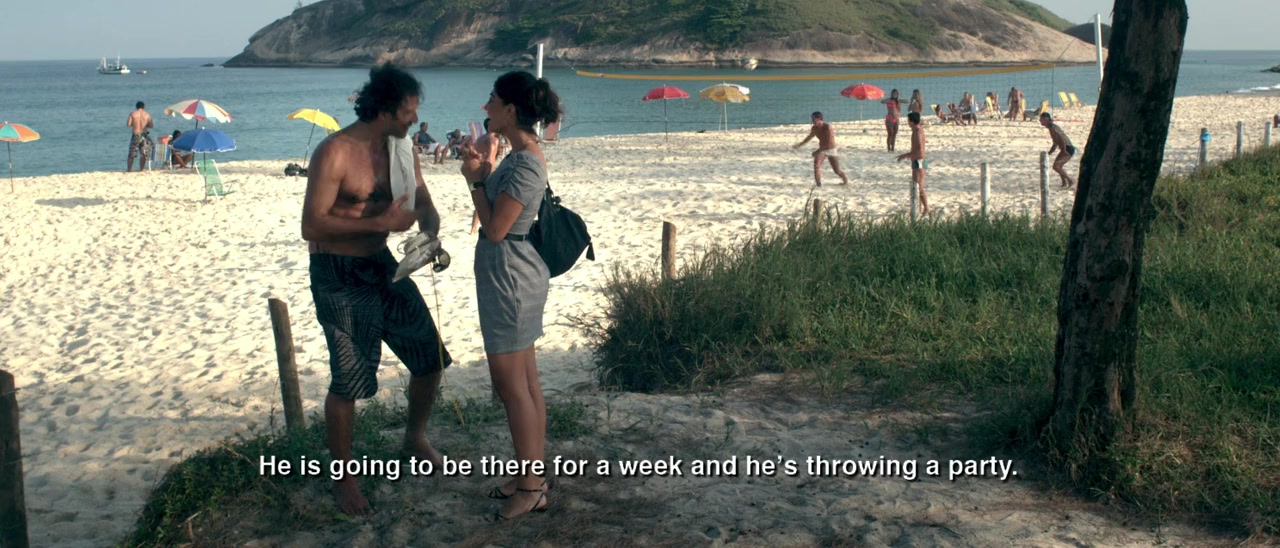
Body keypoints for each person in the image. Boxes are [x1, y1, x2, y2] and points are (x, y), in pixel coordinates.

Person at [301, 64, 452, 516]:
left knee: (429, 357)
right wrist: (380, 222)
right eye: (408, 112)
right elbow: (312, 225)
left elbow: (423, 201)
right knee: (349, 378)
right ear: (384, 110)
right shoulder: (335, 152)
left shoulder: (401, 150)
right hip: (337, 272)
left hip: (384, 265)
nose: (414, 119)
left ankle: (414, 438)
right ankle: (344, 478)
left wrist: (429, 237)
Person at [459, 70, 561, 522]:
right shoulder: (521, 156)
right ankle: (530, 476)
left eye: (492, 100)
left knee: (511, 387)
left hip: (511, 278)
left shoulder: (524, 164)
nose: (486, 107)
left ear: (511, 109)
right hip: (514, 275)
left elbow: (496, 229)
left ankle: (531, 489)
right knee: (527, 384)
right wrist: (485, 172)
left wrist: (474, 181)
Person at [792, 111, 849, 186]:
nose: (812, 121)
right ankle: (818, 184)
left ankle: (845, 181)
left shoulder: (828, 127)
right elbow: (809, 137)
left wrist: (817, 151)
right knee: (816, 166)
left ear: (819, 119)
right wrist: (800, 144)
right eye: (812, 119)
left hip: (831, 149)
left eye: (814, 119)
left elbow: (828, 144)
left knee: (837, 170)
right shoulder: (814, 128)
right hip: (822, 150)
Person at [470, 118, 502, 234]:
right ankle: (477, 227)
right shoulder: (493, 139)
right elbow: (489, 159)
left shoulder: (480, 139)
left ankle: (473, 227)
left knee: (479, 199)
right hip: (487, 169)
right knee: (487, 199)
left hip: (477, 169)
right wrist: (490, 173)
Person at [896, 112, 929, 215]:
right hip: (917, 160)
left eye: (908, 120)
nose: (907, 122)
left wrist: (904, 155)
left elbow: (919, 149)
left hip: (919, 161)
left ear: (911, 121)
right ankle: (920, 209)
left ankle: (926, 209)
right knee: (917, 186)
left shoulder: (917, 132)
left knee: (918, 187)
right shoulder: (917, 129)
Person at [1040, 112, 1077, 188]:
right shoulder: (1051, 127)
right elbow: (1055, 142)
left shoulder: (1053, 128)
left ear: (1047, 119)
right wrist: (1049, 153)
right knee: (1058, 166)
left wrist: (1064, 150)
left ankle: (1070, 180)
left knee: (1056, 166)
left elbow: (1062, 139)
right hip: (1065, 148)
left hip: (1067, 148)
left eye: (1042, 119)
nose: (1040, 121)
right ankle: (1064, 182)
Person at [126, 101, 153, 172]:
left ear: (136, 107)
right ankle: (141, 169)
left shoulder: (132, 114)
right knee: (143, 153)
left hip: (136, 135)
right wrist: (145, 125)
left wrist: (135, 124)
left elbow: (128, 124)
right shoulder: (147, 115)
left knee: (131, 153)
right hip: (144, 135)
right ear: (143, 107)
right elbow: (151, 125)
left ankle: (129, 169)